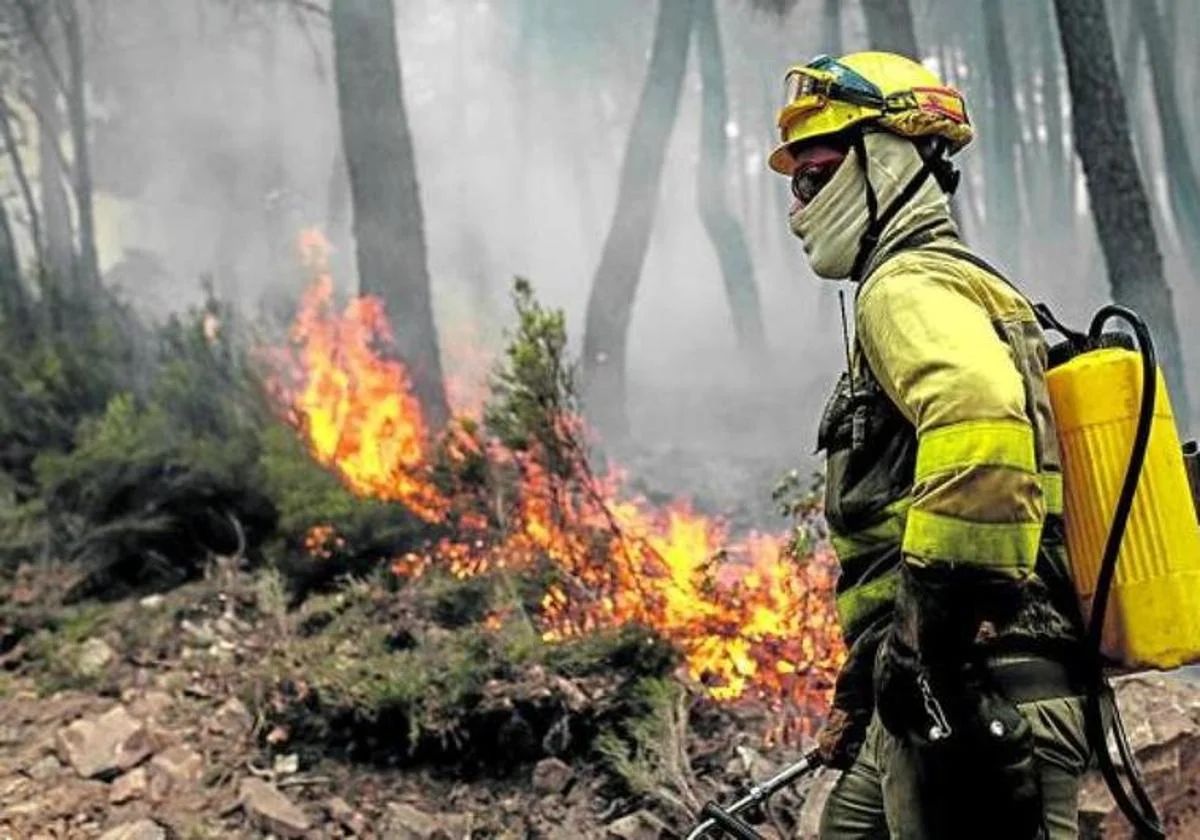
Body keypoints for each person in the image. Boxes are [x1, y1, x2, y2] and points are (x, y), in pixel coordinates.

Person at [768, 52, 1090, 839]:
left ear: (885, 160)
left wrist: (924, 642)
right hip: (929, 698)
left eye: (815, 175)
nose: (800, 203)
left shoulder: (904, 287)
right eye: (794, 184)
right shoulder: (964, 283)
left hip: (975, 697)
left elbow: (979, 425)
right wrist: (868, 680)